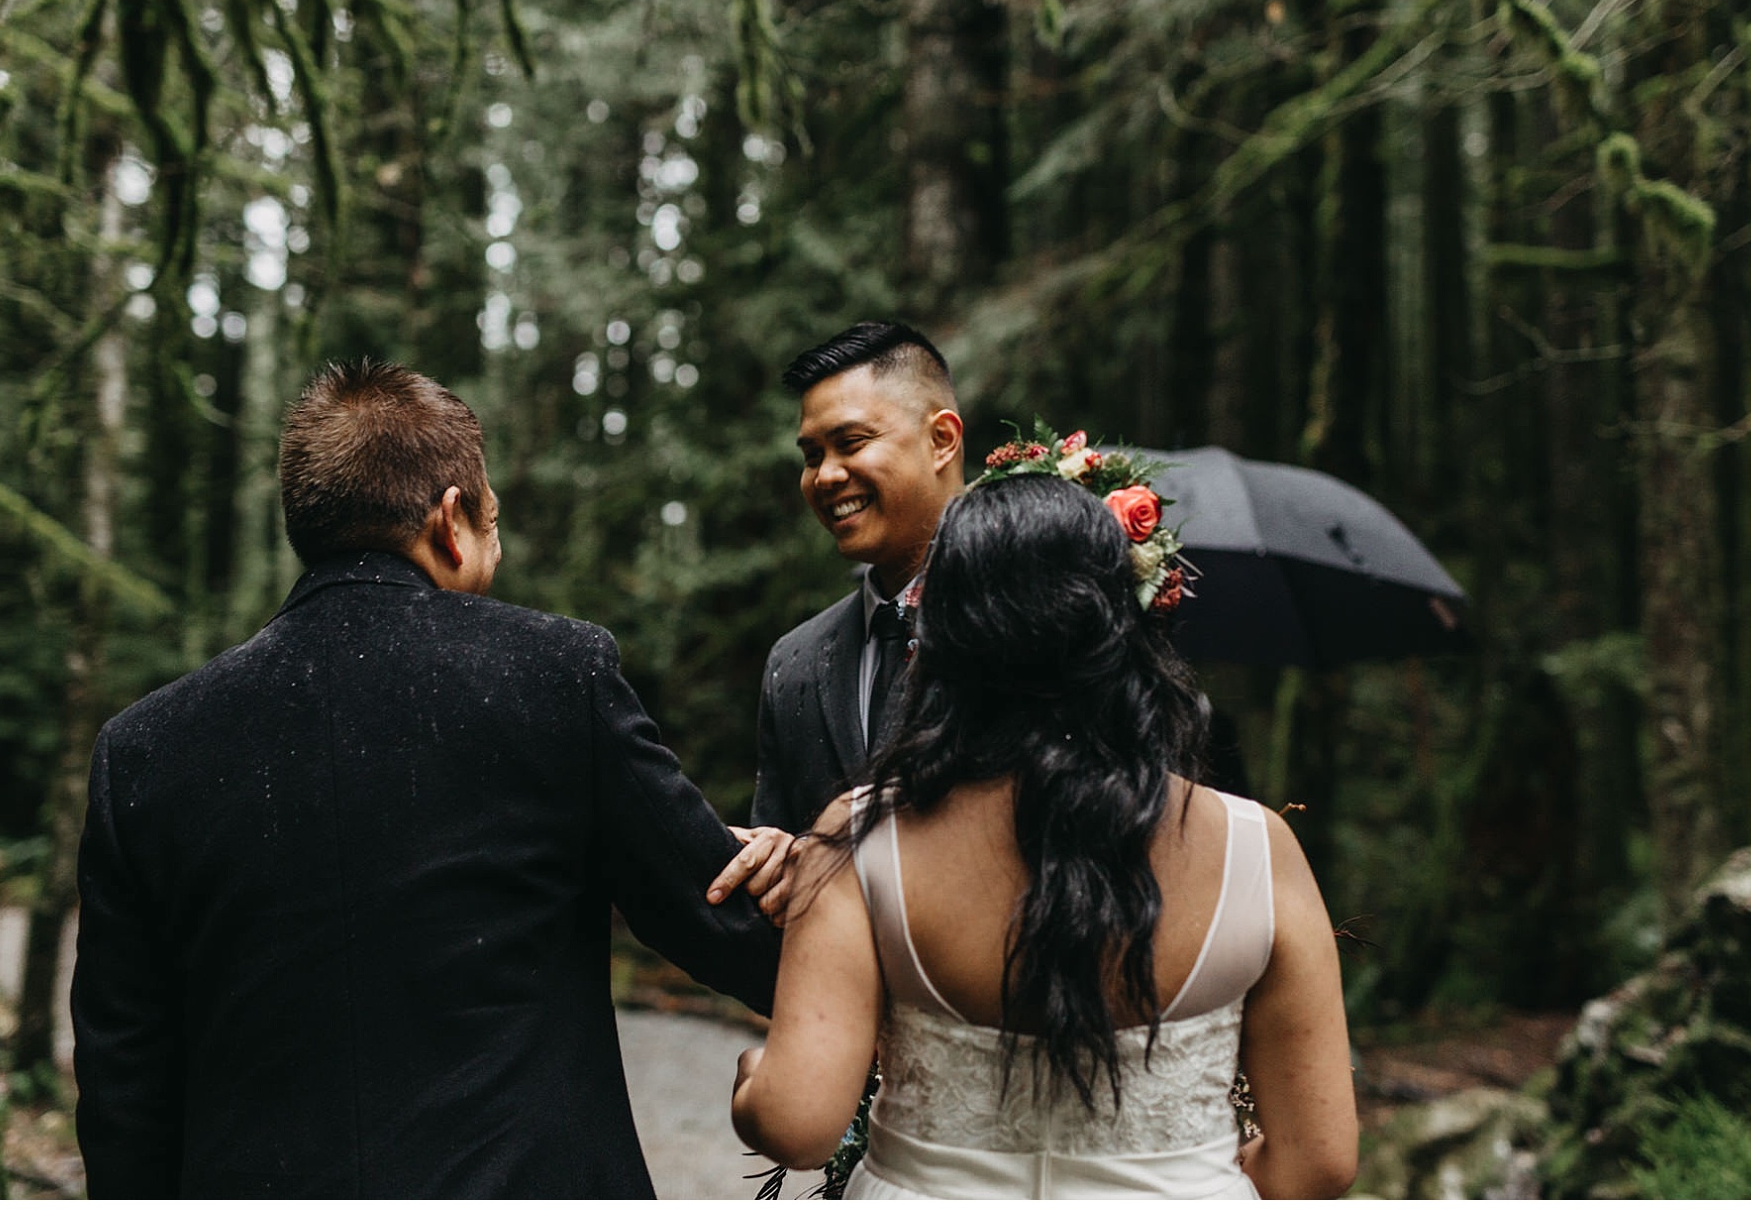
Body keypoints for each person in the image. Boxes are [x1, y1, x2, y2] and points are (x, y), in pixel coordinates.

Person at [70, 360, 790, 1198]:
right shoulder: (556, 675)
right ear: (452, 520)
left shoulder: (144, 750)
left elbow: (123, 1086)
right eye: (493, 522)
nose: (497, 548)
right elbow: (721, 918)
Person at [730, 473, 1358, 1198]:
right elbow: (1321, 1160)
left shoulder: (863, 835)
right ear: (1122, 627)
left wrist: (755, 1079)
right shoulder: (1261, 848)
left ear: (941, 637)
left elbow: (799, 1123)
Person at [751, 322, 965, 833]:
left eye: (851, 442)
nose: (825, 475)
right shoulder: (793, 662)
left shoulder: (1036, 611)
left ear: (941, 440)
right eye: (811, 456)